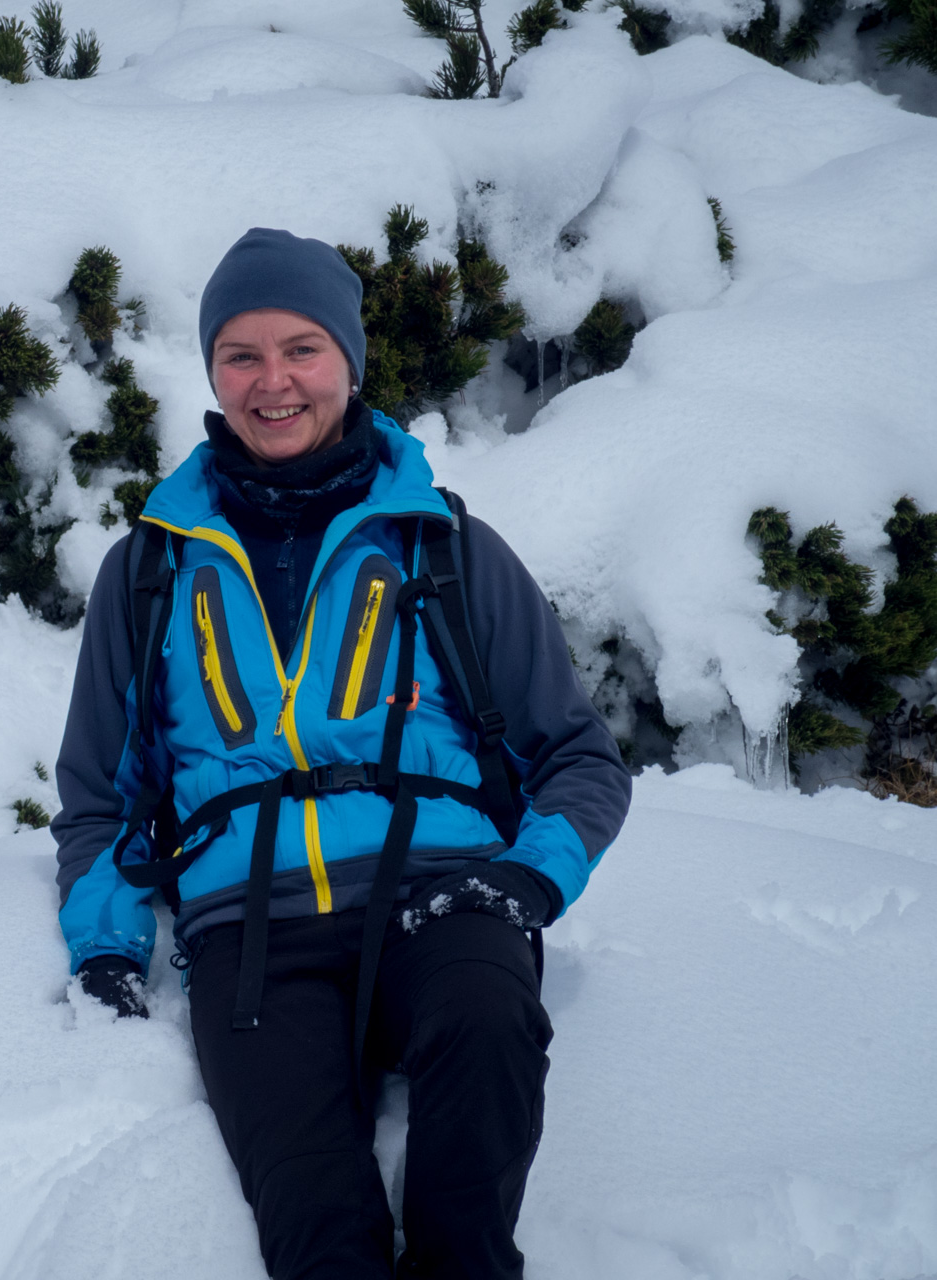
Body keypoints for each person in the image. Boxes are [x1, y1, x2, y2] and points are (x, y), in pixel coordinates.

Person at [52, 228, 631, 1279]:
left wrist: (520, 882)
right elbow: (99, 795)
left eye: (302, 348)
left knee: (489, 1026)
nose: (273, 381)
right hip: (249, 934)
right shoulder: (147, 569)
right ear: (212, 372)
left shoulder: (444, 547)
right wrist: (106, 943)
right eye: (240, 353)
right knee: (314, 1220)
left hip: (442, 898)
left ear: (349, 362)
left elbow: (578, 760)